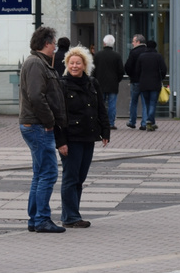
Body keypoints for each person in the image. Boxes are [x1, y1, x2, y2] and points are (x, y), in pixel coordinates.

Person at [18, 26, 69, 233]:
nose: (55, 47)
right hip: (38, 126)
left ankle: (35, 218)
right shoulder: (36, 64)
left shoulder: (38, 63)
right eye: (54, 43)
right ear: (46, 43)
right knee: (47, 173)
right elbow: (37, 96)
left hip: (36, 124)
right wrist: (49, 121)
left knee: (40, 173)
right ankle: (41, 219)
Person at [59, 45, 111, 229]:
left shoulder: (92, 83)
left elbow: (100, 108)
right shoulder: (62, 85)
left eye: (78, 63)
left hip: (88, 137)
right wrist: (61, 142)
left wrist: (105, 131)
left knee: (80, 178)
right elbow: (59, 116)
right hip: (71, 138)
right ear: (67, 64)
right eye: (71, 63)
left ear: (84, 64)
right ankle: (71, 217)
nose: (74, 66)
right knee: (71, 177)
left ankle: (72, 214)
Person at [130, 36, 168, 130]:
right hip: (155, 83)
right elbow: (164, 69)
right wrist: (161, 78)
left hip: (143, 83)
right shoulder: (158, 56)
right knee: (152, 103)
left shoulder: (142, 57)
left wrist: (140, 78)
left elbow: (137, 70)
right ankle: (149, 120)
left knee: (147, 103)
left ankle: (150, 121)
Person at [93, 35, 124, 131]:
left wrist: (94, 81)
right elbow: (121, 71)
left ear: (104, 43)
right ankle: (111, 123)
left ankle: (100, 122)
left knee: (100, 104)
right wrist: (117, 80)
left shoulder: (97, 55)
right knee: (112, 105)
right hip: (113, 84)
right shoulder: (117, 56)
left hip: (99, 84)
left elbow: (93, 70)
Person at [123, 35, 148, 128]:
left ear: (138, 42)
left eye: (133, 41)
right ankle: (144, 123)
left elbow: (128, 66)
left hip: (135, 81)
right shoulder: (148, 51)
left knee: (134, 101)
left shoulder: (133, 52)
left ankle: (132, 121)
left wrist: (131, 75)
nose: (132, 43)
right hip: (146, 81)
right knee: (145, 102)